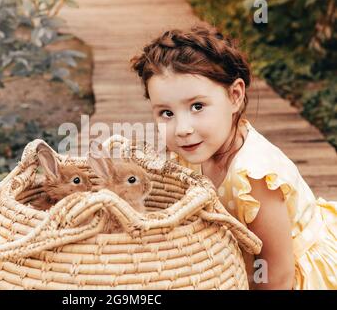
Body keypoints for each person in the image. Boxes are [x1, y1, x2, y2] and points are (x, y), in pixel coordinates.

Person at [130, 25, 337, 290]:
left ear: (235, 96)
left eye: (197, 107)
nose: (182, 128)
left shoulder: (254, 179)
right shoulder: (191, 150)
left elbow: (278, 275)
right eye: (166, 113)